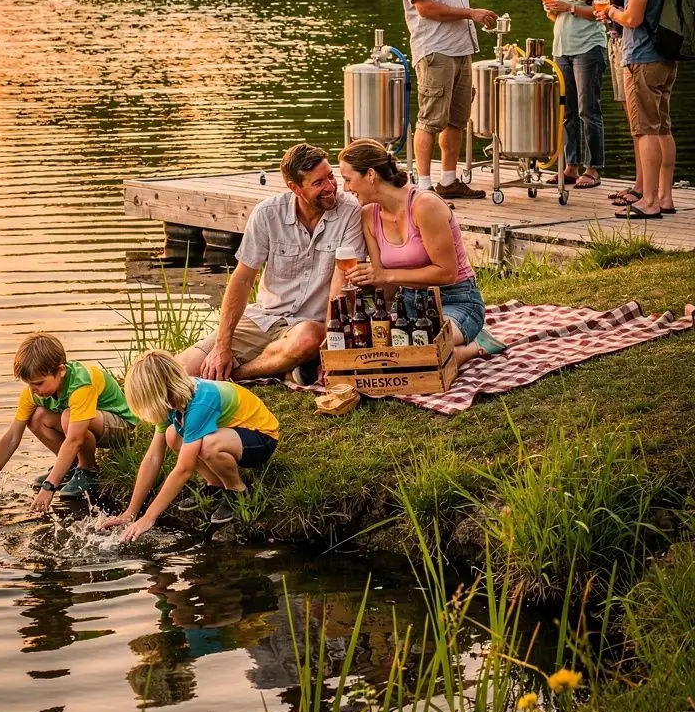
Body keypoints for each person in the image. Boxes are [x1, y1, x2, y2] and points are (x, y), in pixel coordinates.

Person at [397, 0, 545, 200]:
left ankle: (448, 182)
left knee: (457, 119)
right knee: (430, 119)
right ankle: (423, 190)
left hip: (461, 48)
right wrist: (471, 13)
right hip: (435, 50)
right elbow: (425, 7)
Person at [177, 142, 365, 385]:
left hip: (311, 326)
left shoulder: (349, 211)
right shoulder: (267, 214)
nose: (330, 187)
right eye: (318, 183)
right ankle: (282, 369)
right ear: (295, 188)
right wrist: (222, 347)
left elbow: (341, 285)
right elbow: (243, 280)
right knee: (182, 368)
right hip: (263, 318)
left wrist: (330, 348)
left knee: (305, 340)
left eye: (331, 176)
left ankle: (236, 376)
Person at [338, 139, 505, 366]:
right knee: (386, 354)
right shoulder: (368, 215)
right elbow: (382, 282)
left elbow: (447, 273)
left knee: (423, 350)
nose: (346, 188)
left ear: (370, 175)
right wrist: (364, 292)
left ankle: (476, 346)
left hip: (455, 300)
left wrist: (385, 275)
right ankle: (446, 347)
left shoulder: (424, 206)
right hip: (408, 306)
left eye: (348, 179)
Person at [99, 349, 279, 533]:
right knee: (172, 435)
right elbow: (153, 457)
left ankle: (237, 491)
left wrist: (148, 518)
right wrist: (130, 513)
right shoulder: (170, 400)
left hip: (261, 437)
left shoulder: (200, 403)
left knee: (209, 446)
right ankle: (215, 485)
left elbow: (184, 469)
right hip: (231, 434)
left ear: (159, 392)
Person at [0, 332, 137, 513]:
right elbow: (13, 437)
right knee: (36, 417)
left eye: (38, 383)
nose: (34, 390)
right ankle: (71, 466)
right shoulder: (34, 393)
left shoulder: (81, 385)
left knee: (68, 418)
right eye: (29, 384)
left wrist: (49, 487)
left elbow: (75, 439)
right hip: (86, 427)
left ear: (60, 371)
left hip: (120, 428)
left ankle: (88, 470)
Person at [598, 0, 678, 219]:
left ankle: (649, 201)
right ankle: (666, 197)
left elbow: (632, 17)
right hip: (667, 56)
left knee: (645, 130)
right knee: (663, 128)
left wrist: (610, 12)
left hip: (643, 57)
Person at [543, 0, 610, 189]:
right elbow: (554, 13)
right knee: (567, 111)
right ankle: (570, 166)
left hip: (588, 48)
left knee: (588, 109)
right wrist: (553, 8)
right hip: (562, 49)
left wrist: (570, 7)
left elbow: (601, 11)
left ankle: (593, 169)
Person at [603, 0, 643, 205]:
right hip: (617, 44)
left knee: (640, 121)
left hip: (631, 48)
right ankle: (639, 181)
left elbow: (631, 14)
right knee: (632, 120)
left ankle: (642, 185)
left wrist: (611, 12)